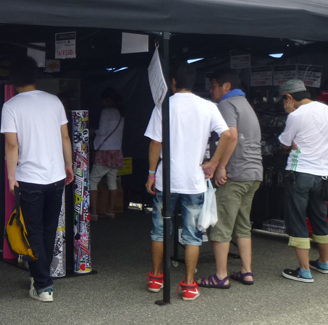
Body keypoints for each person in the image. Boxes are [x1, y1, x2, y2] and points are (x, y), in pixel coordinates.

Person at [144, 64, 234, 301]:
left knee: (159, 231)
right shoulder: (208, 106)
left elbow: (155, 143)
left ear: (173, 82)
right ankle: (189, 284)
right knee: (192, 235)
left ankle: (156, 278)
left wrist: (151, 174)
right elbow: (227, 134)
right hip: (194, 180)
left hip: (166, 179)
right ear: (194, 83)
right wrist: (213, 163)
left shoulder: (163, 106)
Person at [1, 56, 74, 303]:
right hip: (56, 177)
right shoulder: (54, 101)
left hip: (29, 179)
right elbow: (65, 137)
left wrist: (11, 176)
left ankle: (43, 286)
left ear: (13, 79)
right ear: (36, 76)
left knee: (33, 231)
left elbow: (12, 145)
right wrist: (68, 165)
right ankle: (40, 278)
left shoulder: (11, 106)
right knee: (48, 229)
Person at [197, 70, 262, 289]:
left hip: (235, 173)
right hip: (254, 173)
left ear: (226, 86)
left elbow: (231, 135)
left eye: (213, 85)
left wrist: (220, 165)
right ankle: (246, 271)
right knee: (243, 224)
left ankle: (221, 276)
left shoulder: (227, 104)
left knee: (221, 226)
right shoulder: (246, 104)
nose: (210, 90)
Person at [278, 79, 328, 282]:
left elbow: (285, 143)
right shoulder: (325, 109)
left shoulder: (295, 115)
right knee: (320, 218)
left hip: (299, 173)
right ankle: (324, 262)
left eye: (284, 100)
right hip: (323, 174)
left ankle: (304, 270)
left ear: (289, 97)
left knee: (297, 220)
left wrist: (290, 118)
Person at [89, 88, 125, 220]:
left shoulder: (106, 112)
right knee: (112, 181)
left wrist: (93, 131)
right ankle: (110, 211)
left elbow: (103, 131)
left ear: (105, 100)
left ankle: (94, 213)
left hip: (105, 151)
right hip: (117, 151)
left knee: (93, 181)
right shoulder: (121, 113)